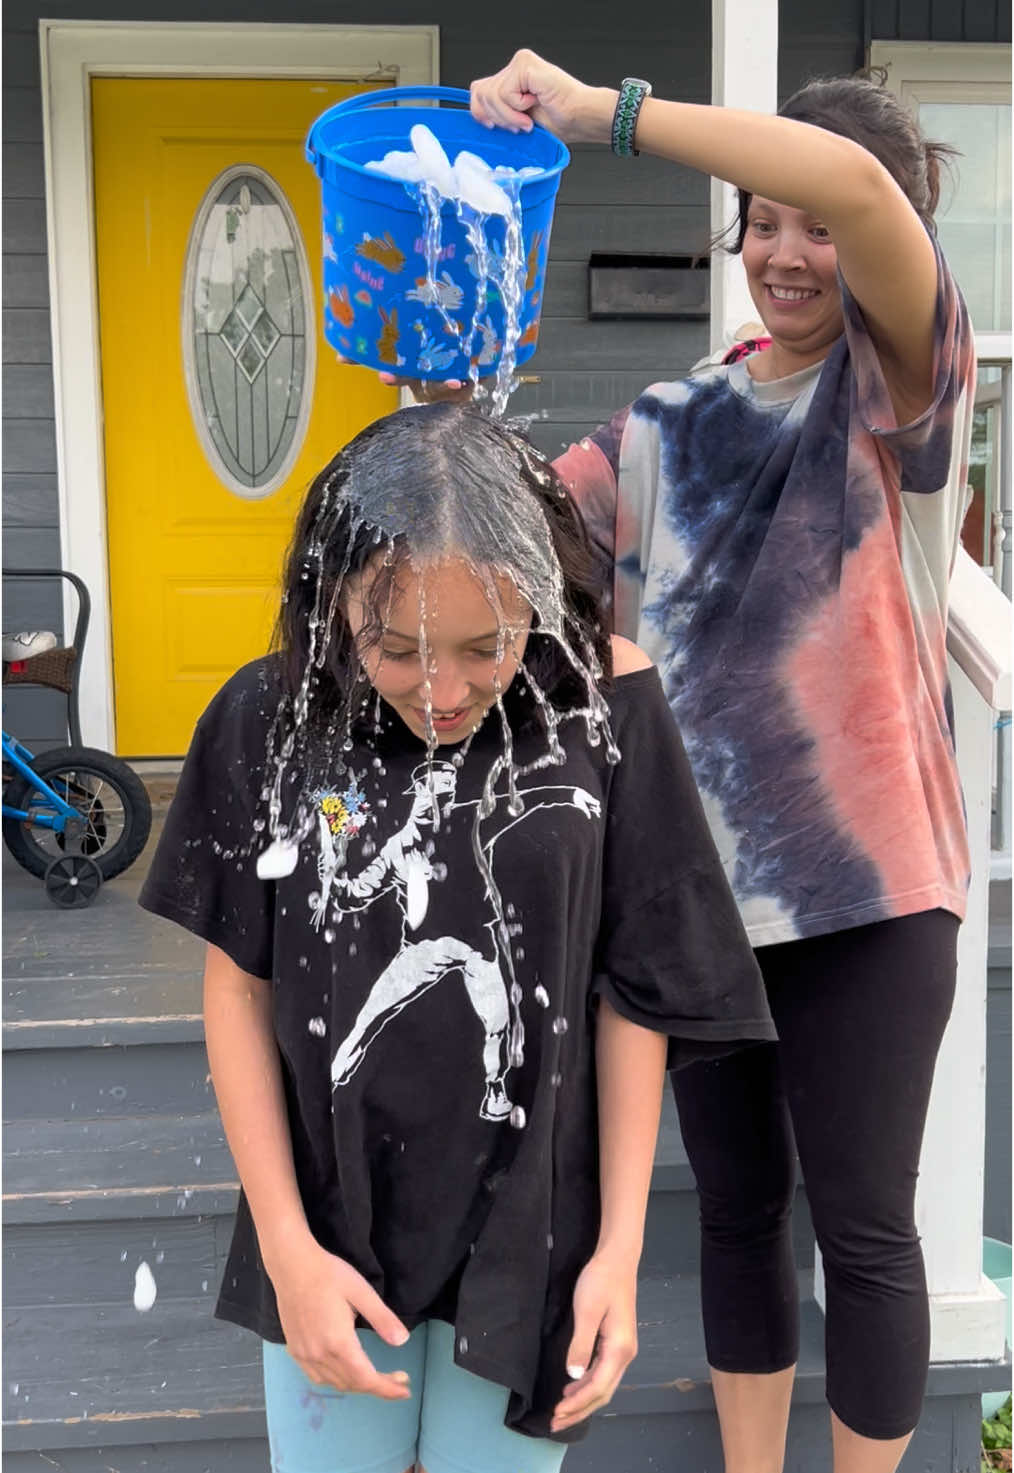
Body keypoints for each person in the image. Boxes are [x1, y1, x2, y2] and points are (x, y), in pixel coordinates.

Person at [462, 52, 977, 1473]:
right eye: (761, 219)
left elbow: (858, 187)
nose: (787, 249)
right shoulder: (664, 421)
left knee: (865, 1226)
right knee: (740, 1212)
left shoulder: (898, 388)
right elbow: (506, 530)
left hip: (871, 901)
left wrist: (597, 115)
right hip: (704, 914)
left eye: (813, 223)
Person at [139, 403, 773, 1472]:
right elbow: (239, 988)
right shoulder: (267, 715)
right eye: (396, 648)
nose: (443, 692)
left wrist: (618, 1250)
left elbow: (633, 991)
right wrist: (289, 1250)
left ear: (541, 590)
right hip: (328, 1220)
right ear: (331, 595)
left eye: (489, 646)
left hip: (532, 1228)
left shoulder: (604, 704)